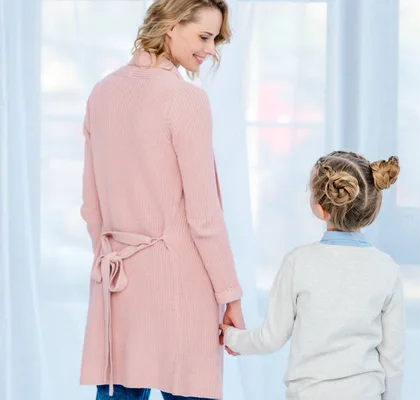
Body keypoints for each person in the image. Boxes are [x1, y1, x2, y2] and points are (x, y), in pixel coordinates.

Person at [79, 1, 244, 399]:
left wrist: (107, 260)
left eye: (215, 40)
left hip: (119, 280)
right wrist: (230, 297)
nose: (209, 50)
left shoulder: (102, 92)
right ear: (170, 26)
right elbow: (204, 216)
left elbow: (92, 206)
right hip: (180, 284)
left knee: (120, 391)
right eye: (204, 36)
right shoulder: (184, 99)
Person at [220, 151, 406, 400]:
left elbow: (270, 339)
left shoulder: (298, 262)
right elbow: (393, 358)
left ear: (320, 207)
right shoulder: (386, 268)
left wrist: (231, 337)